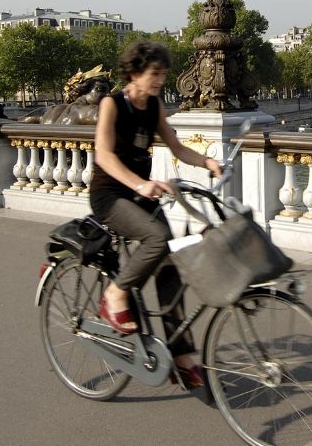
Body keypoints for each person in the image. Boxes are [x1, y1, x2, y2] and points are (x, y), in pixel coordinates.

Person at [90, 41, 222, 388]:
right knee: (158, 238)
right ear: (134, 73)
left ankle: (182, 357)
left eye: (163, 74)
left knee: (171, 269)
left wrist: (207, 162)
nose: (161, 80)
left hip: (140, 194)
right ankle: (115, 295)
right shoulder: (111, 104)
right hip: (110, 195)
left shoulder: (153, 106)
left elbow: (176, 147)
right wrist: (138, 183)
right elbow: (103, 156)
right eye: (155, 74)